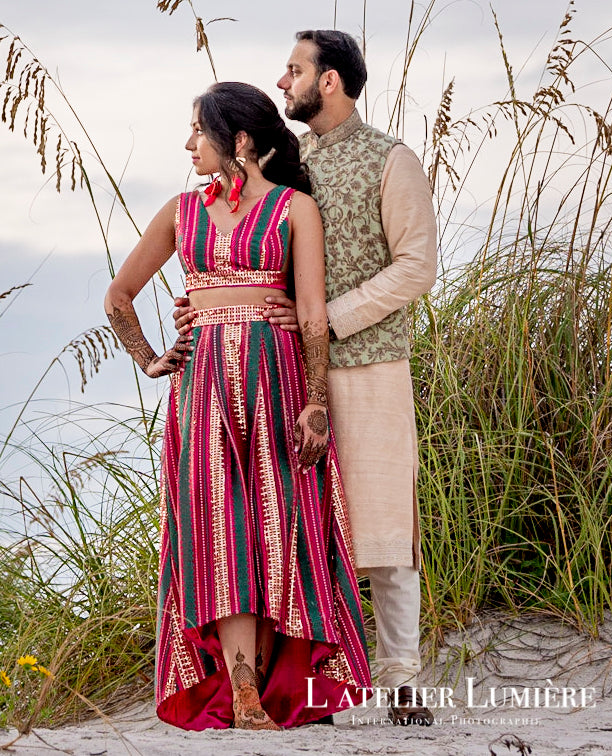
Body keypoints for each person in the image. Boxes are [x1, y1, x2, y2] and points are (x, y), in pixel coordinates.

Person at [174, 30, 439, 726]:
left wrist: (318, 318)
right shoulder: (284, 161)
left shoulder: (392, 159)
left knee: (384, 529)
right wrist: (207, 303)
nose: (282, 79)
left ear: (328, 81)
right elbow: (247, 246)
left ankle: (402, 680)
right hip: (281, 374)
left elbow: (415, 268)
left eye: (293, 69)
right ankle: (305, 687)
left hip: (370, 362)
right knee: (289, 526)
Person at [105, 81, 370, 731]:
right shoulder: (179, 211)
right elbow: (118, 297)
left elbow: (310, 313)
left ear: (241, 141)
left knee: (279, 530)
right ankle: (243, 687)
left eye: (199, 130)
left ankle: (279, 678)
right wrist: (148, 357)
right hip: (199, 394)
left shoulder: (292, 210)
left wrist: (313, 404)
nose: (187, 143)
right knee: (218, 532)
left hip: (277, 385)